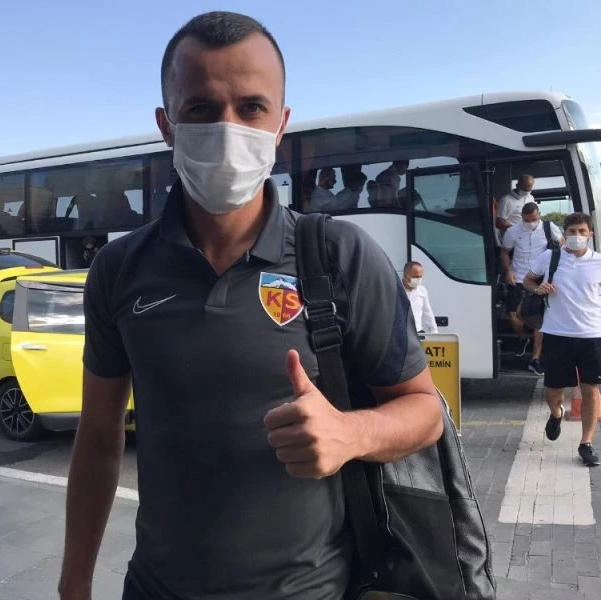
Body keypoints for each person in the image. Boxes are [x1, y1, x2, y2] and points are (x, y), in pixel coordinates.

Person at [57, 11, 443, 600]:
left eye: (251, 107)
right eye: (201, 108)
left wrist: (350, 433)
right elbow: (98, 438)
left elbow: (424, 410)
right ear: (166, 124)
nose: (228, 128)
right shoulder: (118, 269)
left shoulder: (339, 256)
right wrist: (73, 583)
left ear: (281, 123)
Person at [523, 212, 601, 467]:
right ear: (564, 234)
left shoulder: (598, 262)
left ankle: (586, 443)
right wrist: (538, 288)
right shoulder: (550, 257)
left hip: (592, 336)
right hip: (557, 334)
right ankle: (556, 413)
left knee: (591, 390)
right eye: (572, 232)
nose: (577, 236)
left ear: (590, 234)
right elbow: (527, 280)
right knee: (553, 390)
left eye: (582, 231)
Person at [501, 201, 563, 375]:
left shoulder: (550, 228)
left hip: (539, 279)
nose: (531, 223)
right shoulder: (513, 231)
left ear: (539, 215)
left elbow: (563, 247)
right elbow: (504, 252)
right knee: (514, 316)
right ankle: (523, 338)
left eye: (534, 219)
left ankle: (535, 359)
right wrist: (508, 271)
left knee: (540, 321)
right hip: (518, 277)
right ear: (522, 217)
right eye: (527, 220)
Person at [495, 174, 535, 245]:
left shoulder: (531, 198)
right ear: (517, 186)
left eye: (529, 190)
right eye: (525, 190)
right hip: (512, 242)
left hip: (529, 240)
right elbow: (499, 223)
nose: (527, 193)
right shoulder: (506, 201)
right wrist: (519, 230)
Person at [402, 261, 438, 334]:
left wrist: (434, 331)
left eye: (420, 276)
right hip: (400, 333)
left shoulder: (422, 291)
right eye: (415, 277)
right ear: (405, 276)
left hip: (417, 333)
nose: (418, 279)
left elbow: (427, 313)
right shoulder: (396, 290)